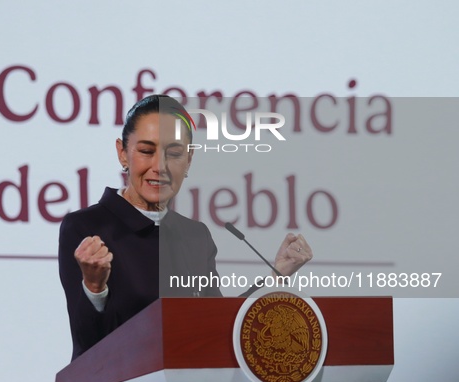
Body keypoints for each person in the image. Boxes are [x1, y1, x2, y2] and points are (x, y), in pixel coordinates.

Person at [58, 95, 313, 360]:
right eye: (146, 151)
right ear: (123, 153)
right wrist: (94, 287)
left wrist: (276, 276)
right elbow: (87, 344)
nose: (160, 167)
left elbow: (220, 324)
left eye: (175, 154)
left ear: (188, 160)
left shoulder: (195, 235)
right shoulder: (86, 227)